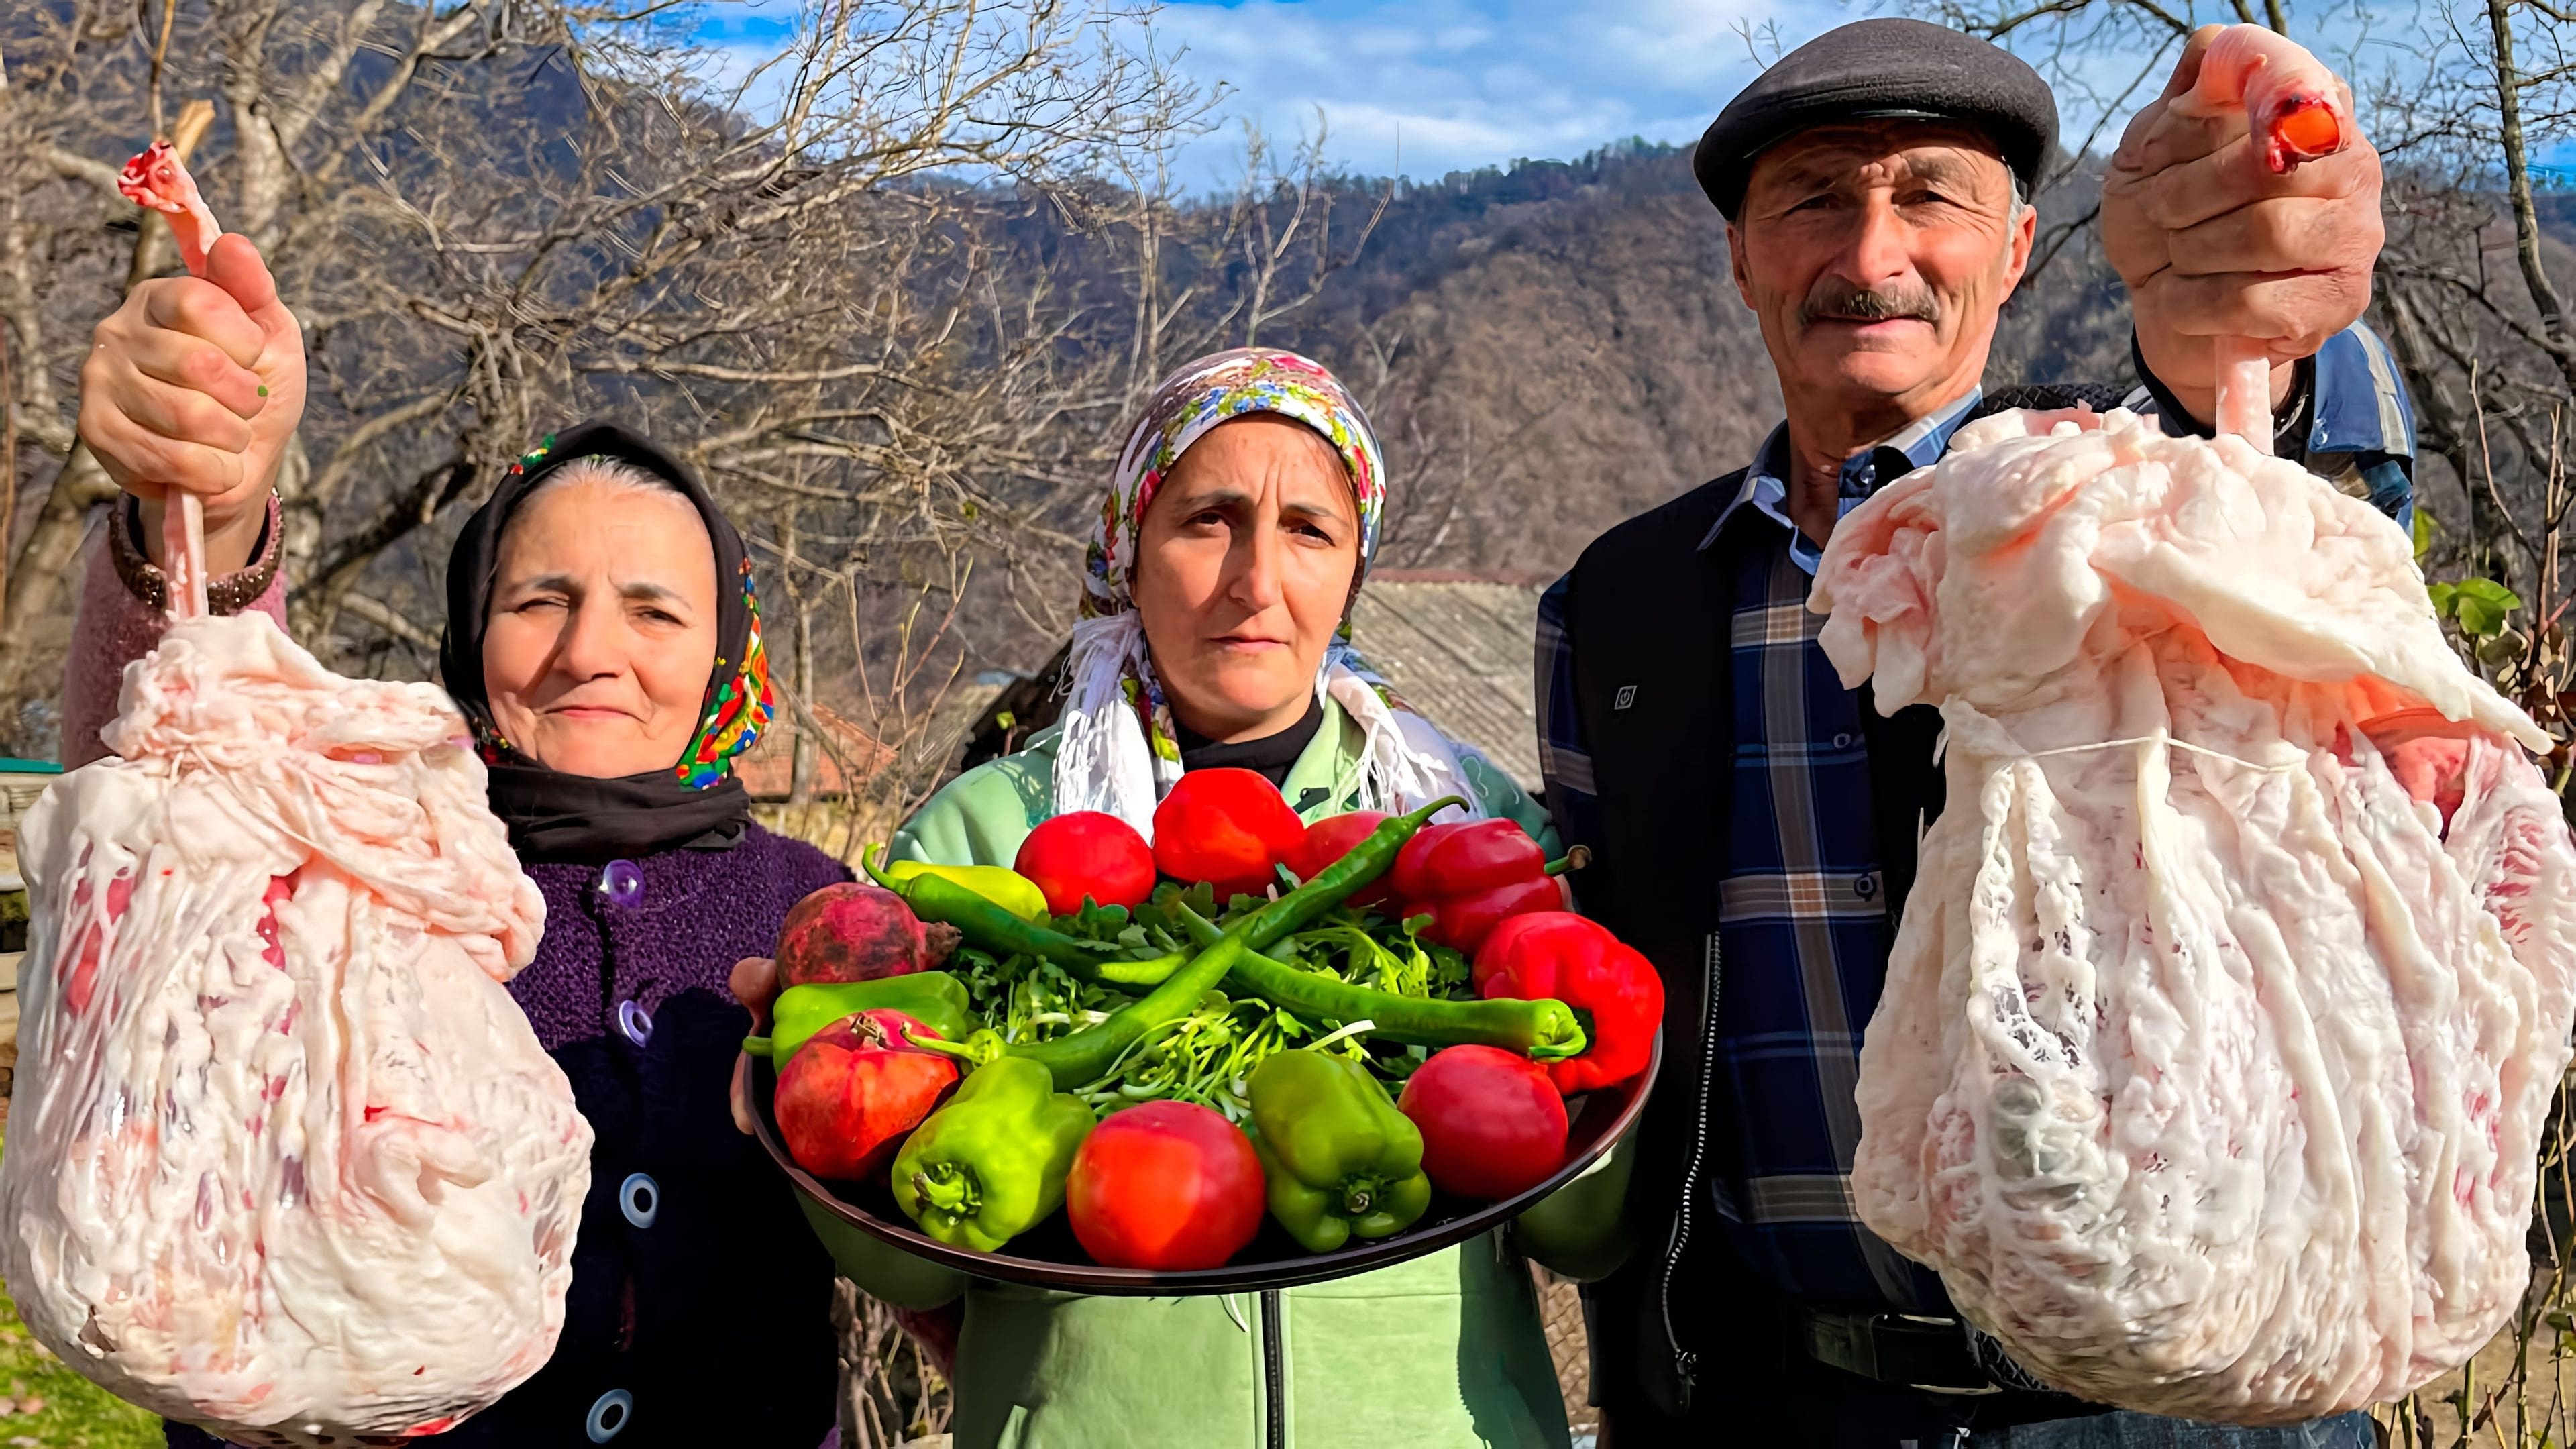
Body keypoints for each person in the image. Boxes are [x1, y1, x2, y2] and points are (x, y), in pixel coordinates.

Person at [1536, 19, 2411, 1448]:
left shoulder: (2113, 509)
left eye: (1931, 197)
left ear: (2012, 255)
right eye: (1814, 197)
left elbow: (2314, 522)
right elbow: (1612, 999)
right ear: (1743, 258)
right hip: (1779, 1402)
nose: (1871, 254)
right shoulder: (1621, 609)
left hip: (2173, 1402)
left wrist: (2257, 339)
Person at [65, 235, 845, 1447]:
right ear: (471, 634)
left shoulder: (814, 910)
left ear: (725, 655)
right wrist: (208, 520)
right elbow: (176, 779)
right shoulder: (360, 849)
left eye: (654, 610)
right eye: (540, 601)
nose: (593, 651)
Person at [741, 346, 1578, 1449]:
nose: (1257, 582)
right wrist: (802, 1111)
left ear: (1353, 573)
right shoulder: (981, 835)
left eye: (1310, 532)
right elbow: (907, 1259)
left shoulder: (1469, 821)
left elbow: (1580, 1226)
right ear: (1129, 552)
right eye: (1208, 520)